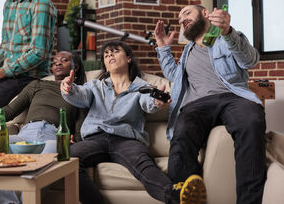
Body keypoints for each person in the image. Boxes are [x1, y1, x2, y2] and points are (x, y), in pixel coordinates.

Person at [60, 40, 206, 204]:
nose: (110, 56)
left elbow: (149, 102)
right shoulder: (95, 86)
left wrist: (157, 101)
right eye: (106, 55)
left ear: (128, 58)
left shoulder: (141, 87)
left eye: (115, 52)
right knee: (66, 159)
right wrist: (68, 87)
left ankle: (177, 197)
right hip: (95, 139)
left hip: (127, 141)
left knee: (146, 168)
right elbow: (79, 95)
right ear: (105, 65)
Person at [154, 5, 266, 204]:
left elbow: (250, 60)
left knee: (251, 120)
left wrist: (228, 32)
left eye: (187, 13)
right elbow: (174, 75)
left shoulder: (225, 38)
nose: (182, 20)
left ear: (205, 13)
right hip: (198, 104)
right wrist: (163, 48)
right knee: (183, 130)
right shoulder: (188, 51)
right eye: (179, 18)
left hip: (233, 97)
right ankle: (184, 195)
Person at [0, 51, 86, 204]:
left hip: (53, 136)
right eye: (55, 60)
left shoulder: (80, 92)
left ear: (75, 67)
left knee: (53, 149)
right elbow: (8, 112)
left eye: (64, 60)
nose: (57, 63)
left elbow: (80, 125)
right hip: (25, 135)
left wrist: (76, 139)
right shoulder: (37, 84)